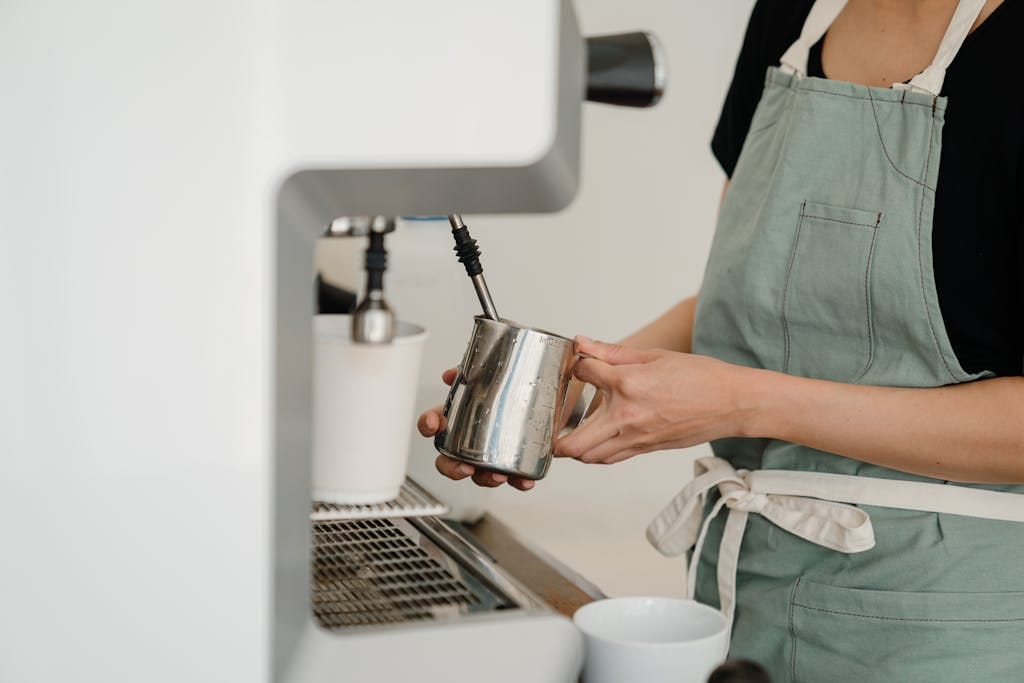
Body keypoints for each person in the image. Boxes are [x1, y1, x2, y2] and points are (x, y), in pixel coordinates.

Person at [419, 0, 1024, 679]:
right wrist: (571, 385)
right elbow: (755, 297)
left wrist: (744, 403)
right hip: (743, 602)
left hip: (944, 628)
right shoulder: (793, 16)